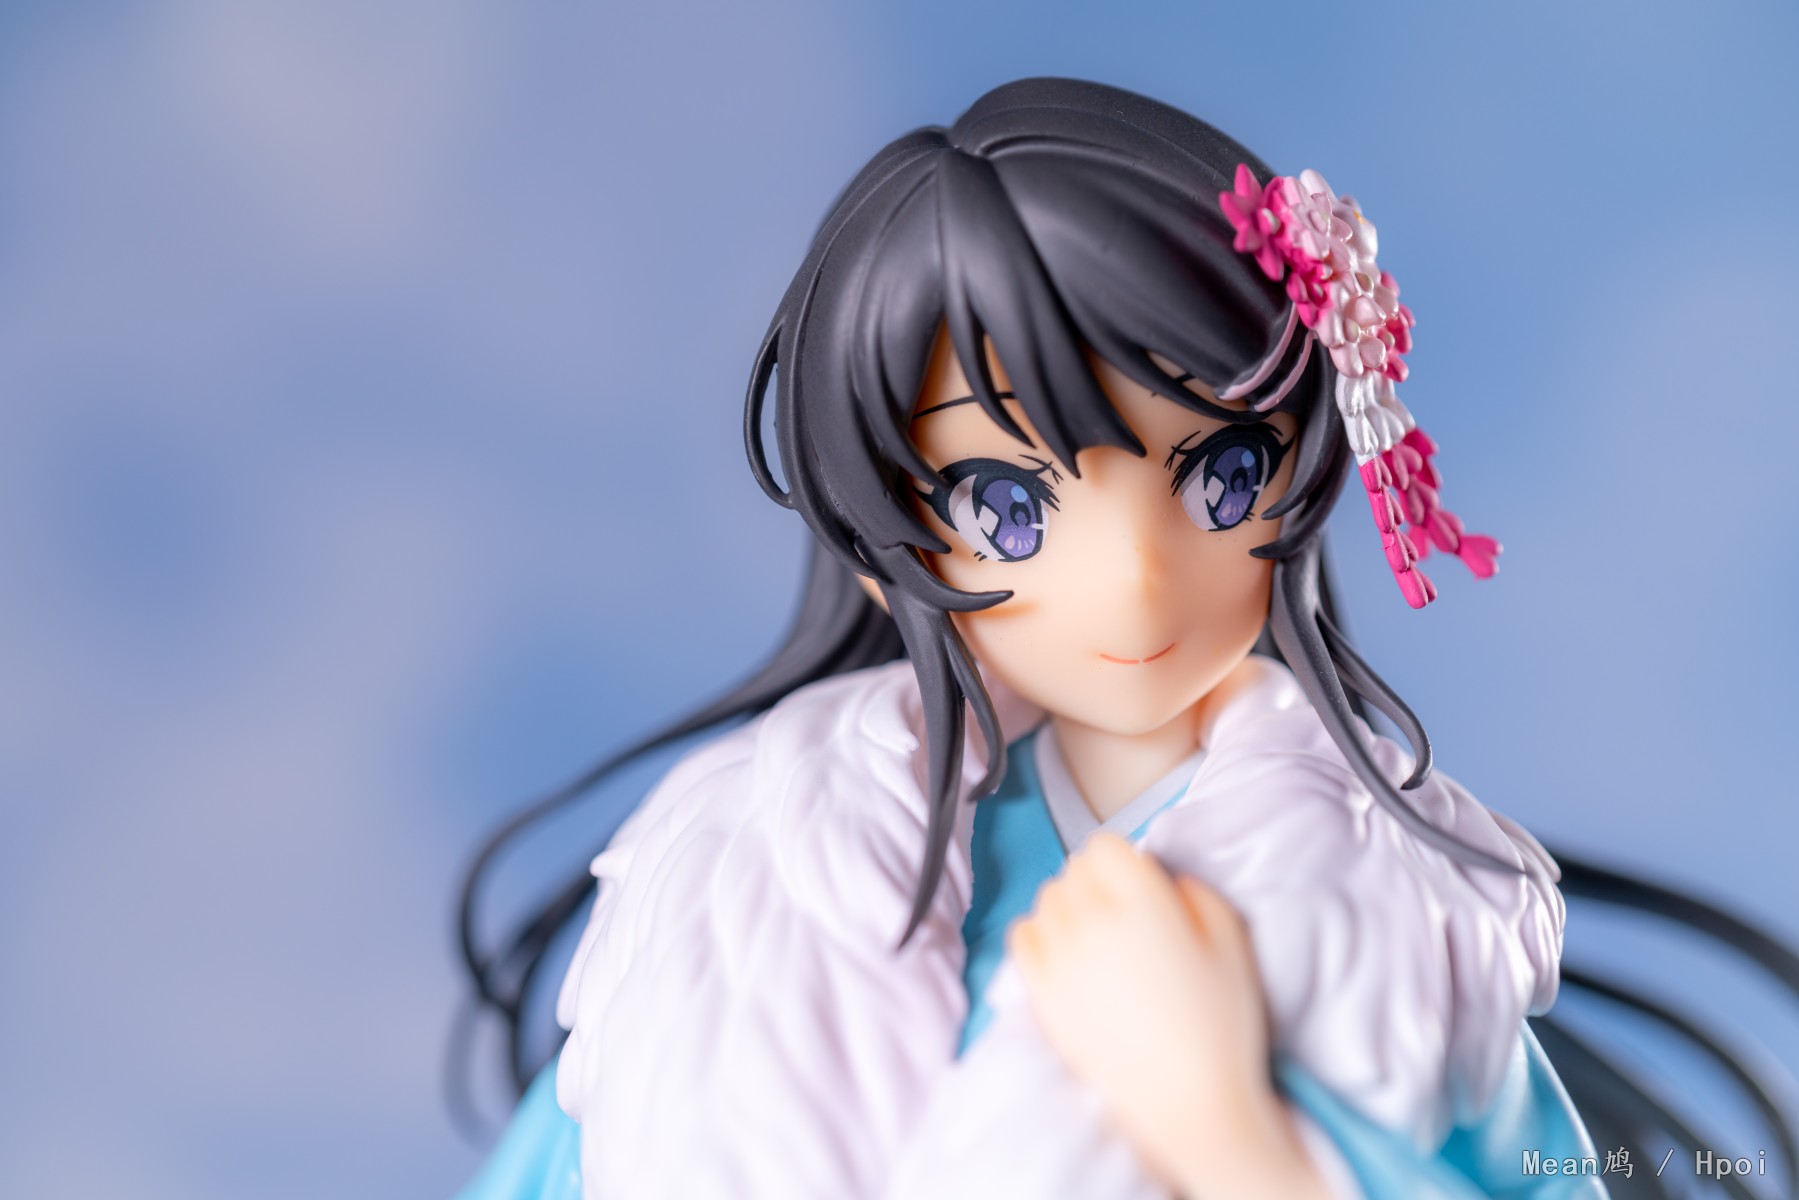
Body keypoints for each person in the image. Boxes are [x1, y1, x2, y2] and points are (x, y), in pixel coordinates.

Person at [452, 78, 1799, 1199]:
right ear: (880, 540)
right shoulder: (745, 903)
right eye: (1008, 508)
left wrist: (1230, 1134)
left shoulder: (1382, 914)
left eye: (1222, 475)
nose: (1140, 578)